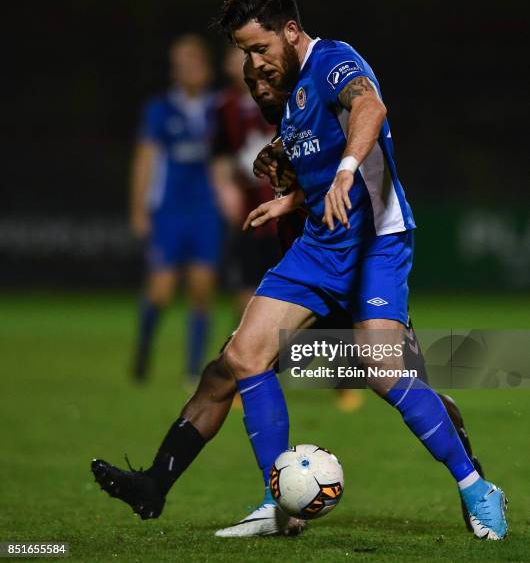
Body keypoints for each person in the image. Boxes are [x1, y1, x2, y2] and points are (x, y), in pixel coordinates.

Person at [91, 58, 486, 537]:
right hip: (310, 281)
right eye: (251, 81)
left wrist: (312, 180)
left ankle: (472, 476)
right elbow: (300, 177)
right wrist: (286, 184)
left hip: (359, 271)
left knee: (402, 383)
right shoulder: (288, 131)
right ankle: (160, 484)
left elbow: (358, 144)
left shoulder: (324, 111)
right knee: (227, 370)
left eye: (264, 77)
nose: (258, 86)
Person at [130, 34, 223, 384]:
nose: (187, 67)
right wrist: (139, 209)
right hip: (170, 211)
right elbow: (145, 159)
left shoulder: (219, 108)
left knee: (201, 289)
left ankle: (192, 369)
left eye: (193, 60)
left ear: (206, 66)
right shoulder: (160, 109)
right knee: (162, 289)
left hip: (206, 211)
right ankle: (142, 352)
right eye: (180, 62)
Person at [212, 46, 279, 314]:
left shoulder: (283, 96)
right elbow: (219, 155)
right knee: (247, 289)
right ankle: (252, 346)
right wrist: (224, 187)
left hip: (287, 209)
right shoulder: (223, 107)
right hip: (249, 214)